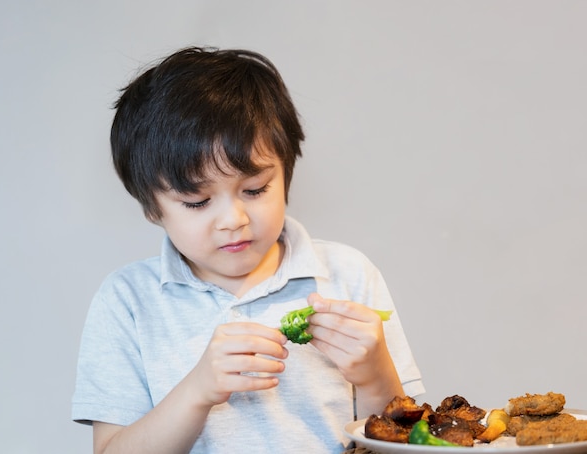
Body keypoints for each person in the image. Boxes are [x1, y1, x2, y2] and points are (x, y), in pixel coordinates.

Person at [72, 46, 424, 454]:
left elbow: (405, 442)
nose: (233, 219)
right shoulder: (128, 301)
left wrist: (375, 376)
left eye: (255, 190)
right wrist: (197, 390)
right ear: (152, 208)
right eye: (197, 201)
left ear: (286, 175)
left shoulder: (348, 275)